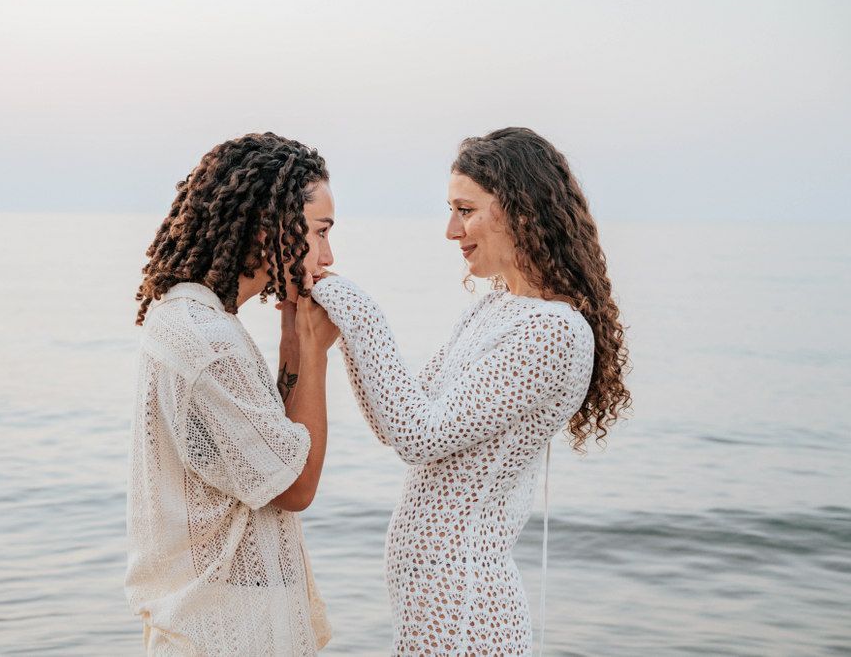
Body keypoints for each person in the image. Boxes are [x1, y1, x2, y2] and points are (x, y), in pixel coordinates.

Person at [309, 128, 631, 655]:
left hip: (469, 615)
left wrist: (348, 299)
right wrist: (338, 331)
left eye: (466, 209)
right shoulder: (493, 308)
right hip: (435, 608)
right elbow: (398, 421)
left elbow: (418, 435)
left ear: (521, 209)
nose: (451, 230)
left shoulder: (553, 331)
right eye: (450, 209)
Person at [125, 132, 339, 656]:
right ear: (271, 227)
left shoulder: (187, 317)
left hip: (211, 623)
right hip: (228, 634)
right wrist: (315, 353)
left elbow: (272, 452)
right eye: (320, 232)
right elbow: (294, 487)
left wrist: (292, 339)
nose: (328, 255)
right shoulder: (210, 342)